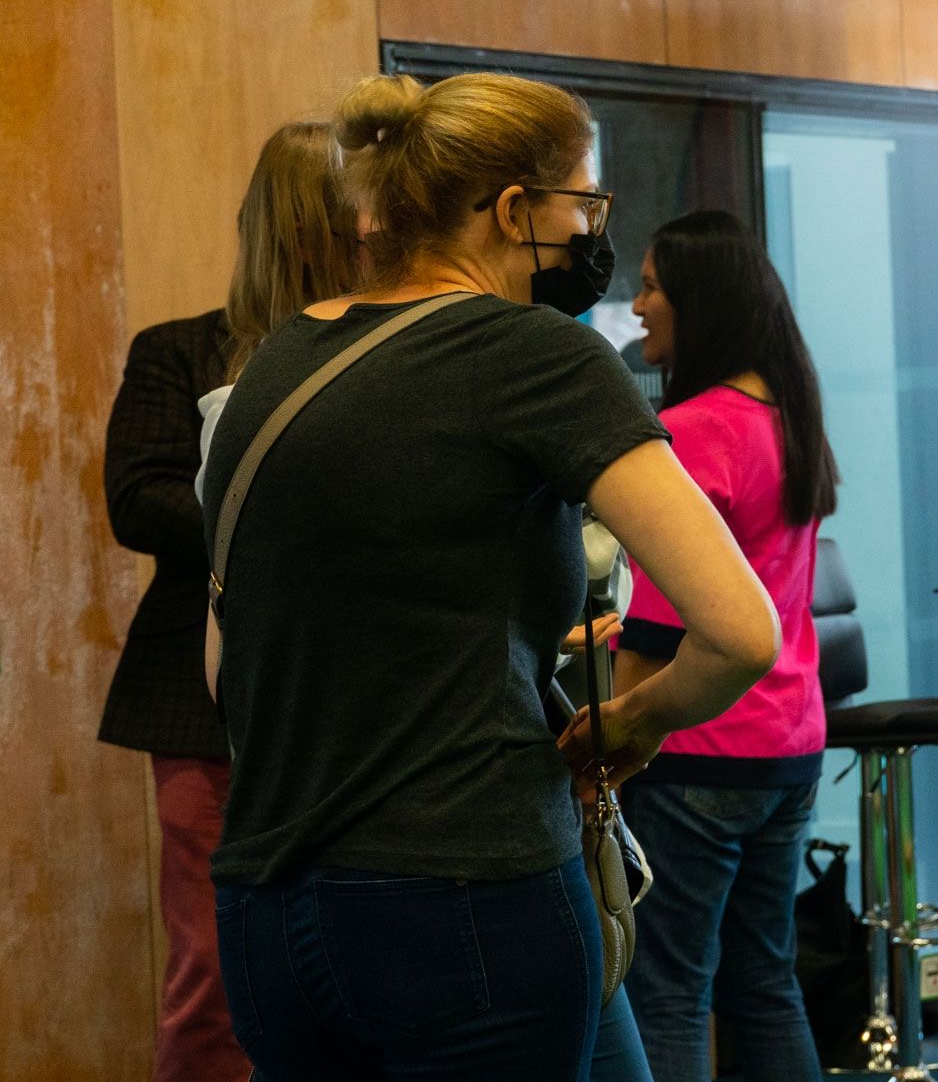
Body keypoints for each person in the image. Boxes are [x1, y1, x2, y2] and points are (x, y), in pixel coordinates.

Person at [200, 72, 780, 1081]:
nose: (592, 232)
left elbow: (225, 664)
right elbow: (738, 630)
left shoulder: (278, 363)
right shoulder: (533, 354)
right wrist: (630, 725)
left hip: (267, 906)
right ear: (514, 211)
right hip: (466, 893)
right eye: (582, 202)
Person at [100, 119, 358, 1082]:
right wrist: (279, 510)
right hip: (200, 704)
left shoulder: (388, 356)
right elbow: (138, 500)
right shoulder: (180, 351)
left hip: (356, 705)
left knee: (347, 959)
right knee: (212, 969)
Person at [611, 211, 835, 1082]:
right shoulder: (786, 410)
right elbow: (758, 579)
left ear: (698, 300)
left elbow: (667, 621)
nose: (636, 306)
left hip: (700, 749)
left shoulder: (699, 425)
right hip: (788, 746)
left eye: (653, 286)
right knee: (763, 985)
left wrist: (621, 735)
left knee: (668, 993)